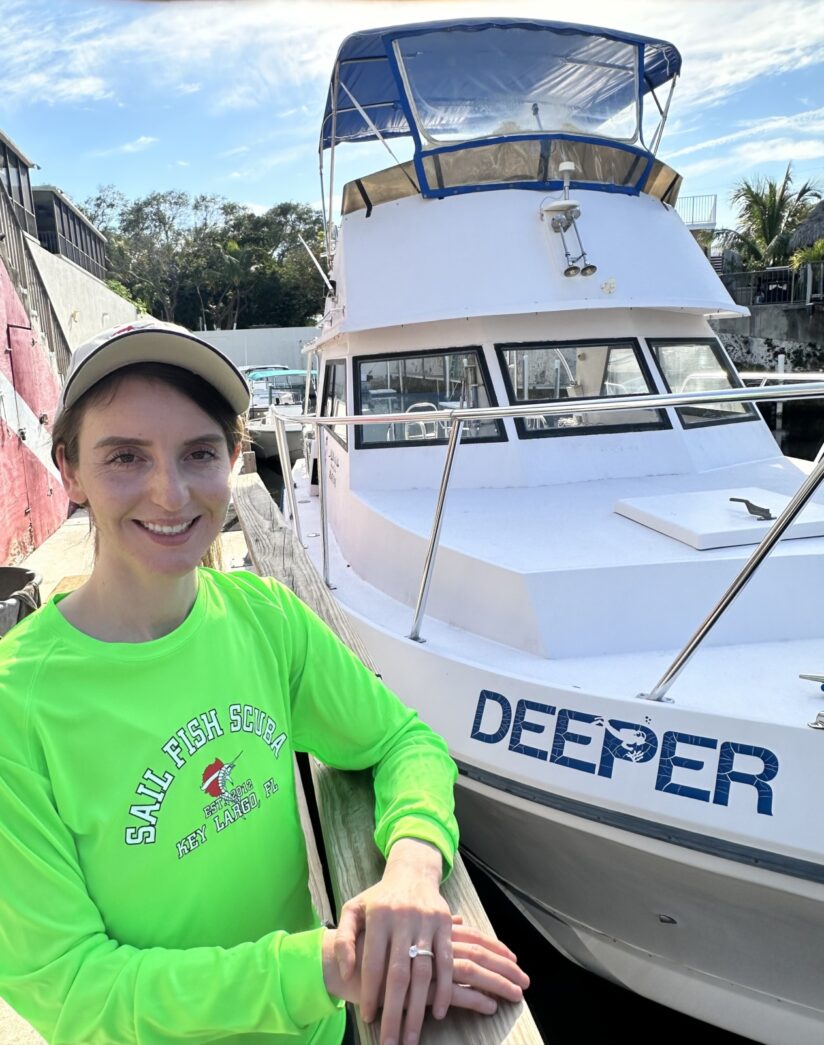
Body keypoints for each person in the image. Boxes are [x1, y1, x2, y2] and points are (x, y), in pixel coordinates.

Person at [0, 320, 528, 1045]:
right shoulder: (16, 705)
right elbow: (71, 989)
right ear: (69, 470)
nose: (170, 492)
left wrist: (411, 865)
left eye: (198, 453)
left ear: (234, 458)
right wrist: (327, 966)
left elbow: (404, 740)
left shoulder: (264, 619)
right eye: (125, 456)